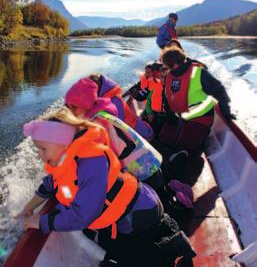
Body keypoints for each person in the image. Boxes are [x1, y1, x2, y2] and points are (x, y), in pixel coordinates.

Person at [17, 108, 196, 267]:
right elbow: (49, 185)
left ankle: (172, 246)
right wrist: (27, 209)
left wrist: (42, 222)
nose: (39, 156)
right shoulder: (63, 162)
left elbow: (83, 215)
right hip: (123, 216)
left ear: (62, 143)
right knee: (108, 247)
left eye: (42, 149)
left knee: (125, 260)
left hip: (139, 215)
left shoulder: (91, 162)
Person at [159, 44, 235, 155]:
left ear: (174, 64)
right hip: (180, 118)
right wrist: (170, 116)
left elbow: (219, 90)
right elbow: (167, 97)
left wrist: (226, 111)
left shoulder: (199, 73)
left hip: (201, 119)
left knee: (186, 148)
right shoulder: (170, 76)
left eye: (166, 65)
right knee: (163, 139)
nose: (165, 67)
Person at [65, 75, 154, 141]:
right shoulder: (106, 98)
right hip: (134, 129)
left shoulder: (111, 105)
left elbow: (121, 132)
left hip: (140, 135)